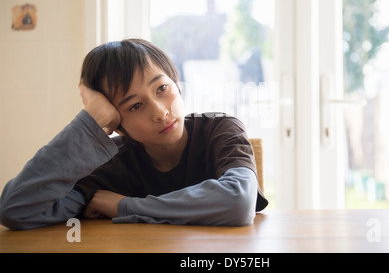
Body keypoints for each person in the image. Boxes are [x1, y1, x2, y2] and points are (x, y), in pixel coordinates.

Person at [0, 39, 268, 230]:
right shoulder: (110, 165)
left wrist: (126, 207)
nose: (161, 112)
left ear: (177, 83)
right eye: (135, 106)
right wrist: (91, 122)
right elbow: (15, 210)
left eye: (162, 88)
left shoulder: (220, 129)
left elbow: (238, 201)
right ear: (118, 124)